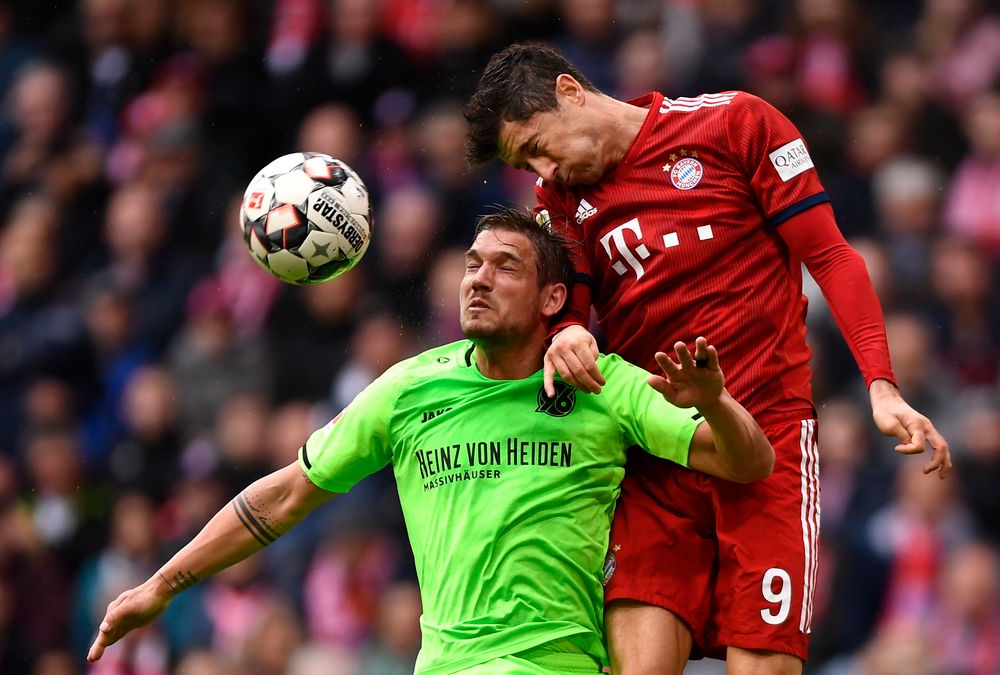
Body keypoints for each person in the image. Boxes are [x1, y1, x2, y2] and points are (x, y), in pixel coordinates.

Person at [87, 209, 775, 673]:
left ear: (552, 300)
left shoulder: (602, 382)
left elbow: (750, 462)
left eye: (505, 267)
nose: (477, 278)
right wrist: (163, 583)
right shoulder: (408, 389)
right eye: (473, 264)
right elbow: (287, 492)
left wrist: (713, 400)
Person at [462, 43, 953, 675]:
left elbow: (830, 256)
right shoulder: (561, 202)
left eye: (536, 145)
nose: (543, 171)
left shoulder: (736, 124)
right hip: (658, 449)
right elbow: (567, 315)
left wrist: (881, 386)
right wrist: (564, 334)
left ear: (570, 91)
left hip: (767, 440)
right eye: (525, 162)